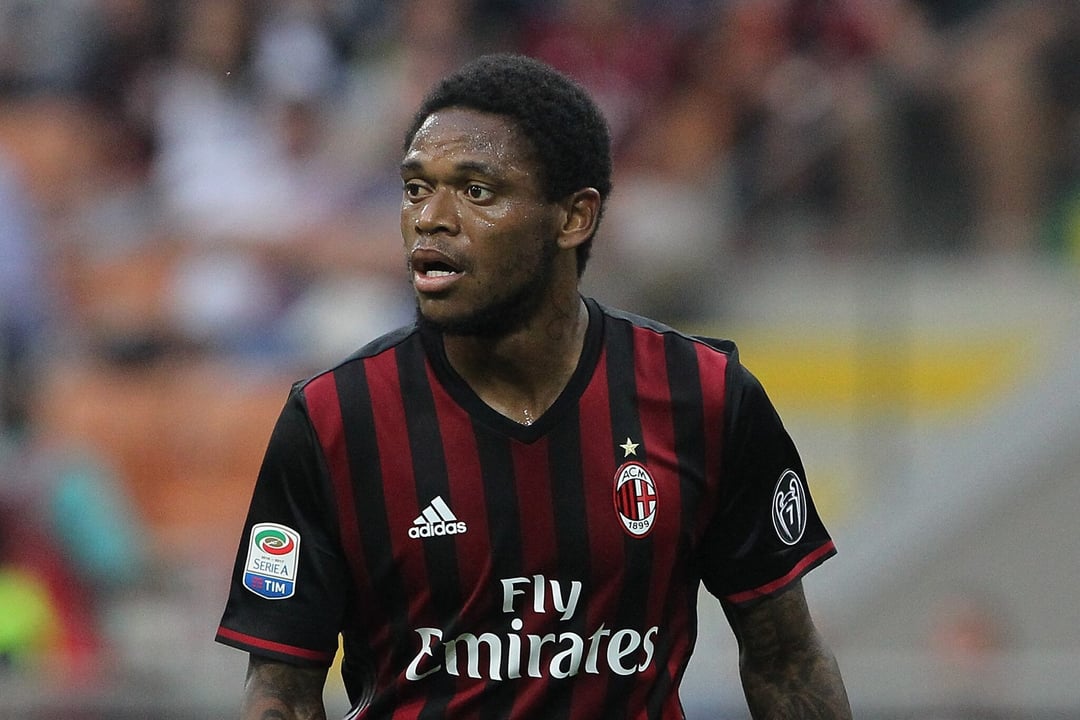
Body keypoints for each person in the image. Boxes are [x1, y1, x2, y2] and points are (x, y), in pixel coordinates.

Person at [215, 53, 851, 719]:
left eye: (476, 191)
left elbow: (786, 661)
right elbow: (282, 693)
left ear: (573, 218)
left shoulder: (704, 396)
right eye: (416, 188)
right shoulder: (333, 419)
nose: (431, 217)